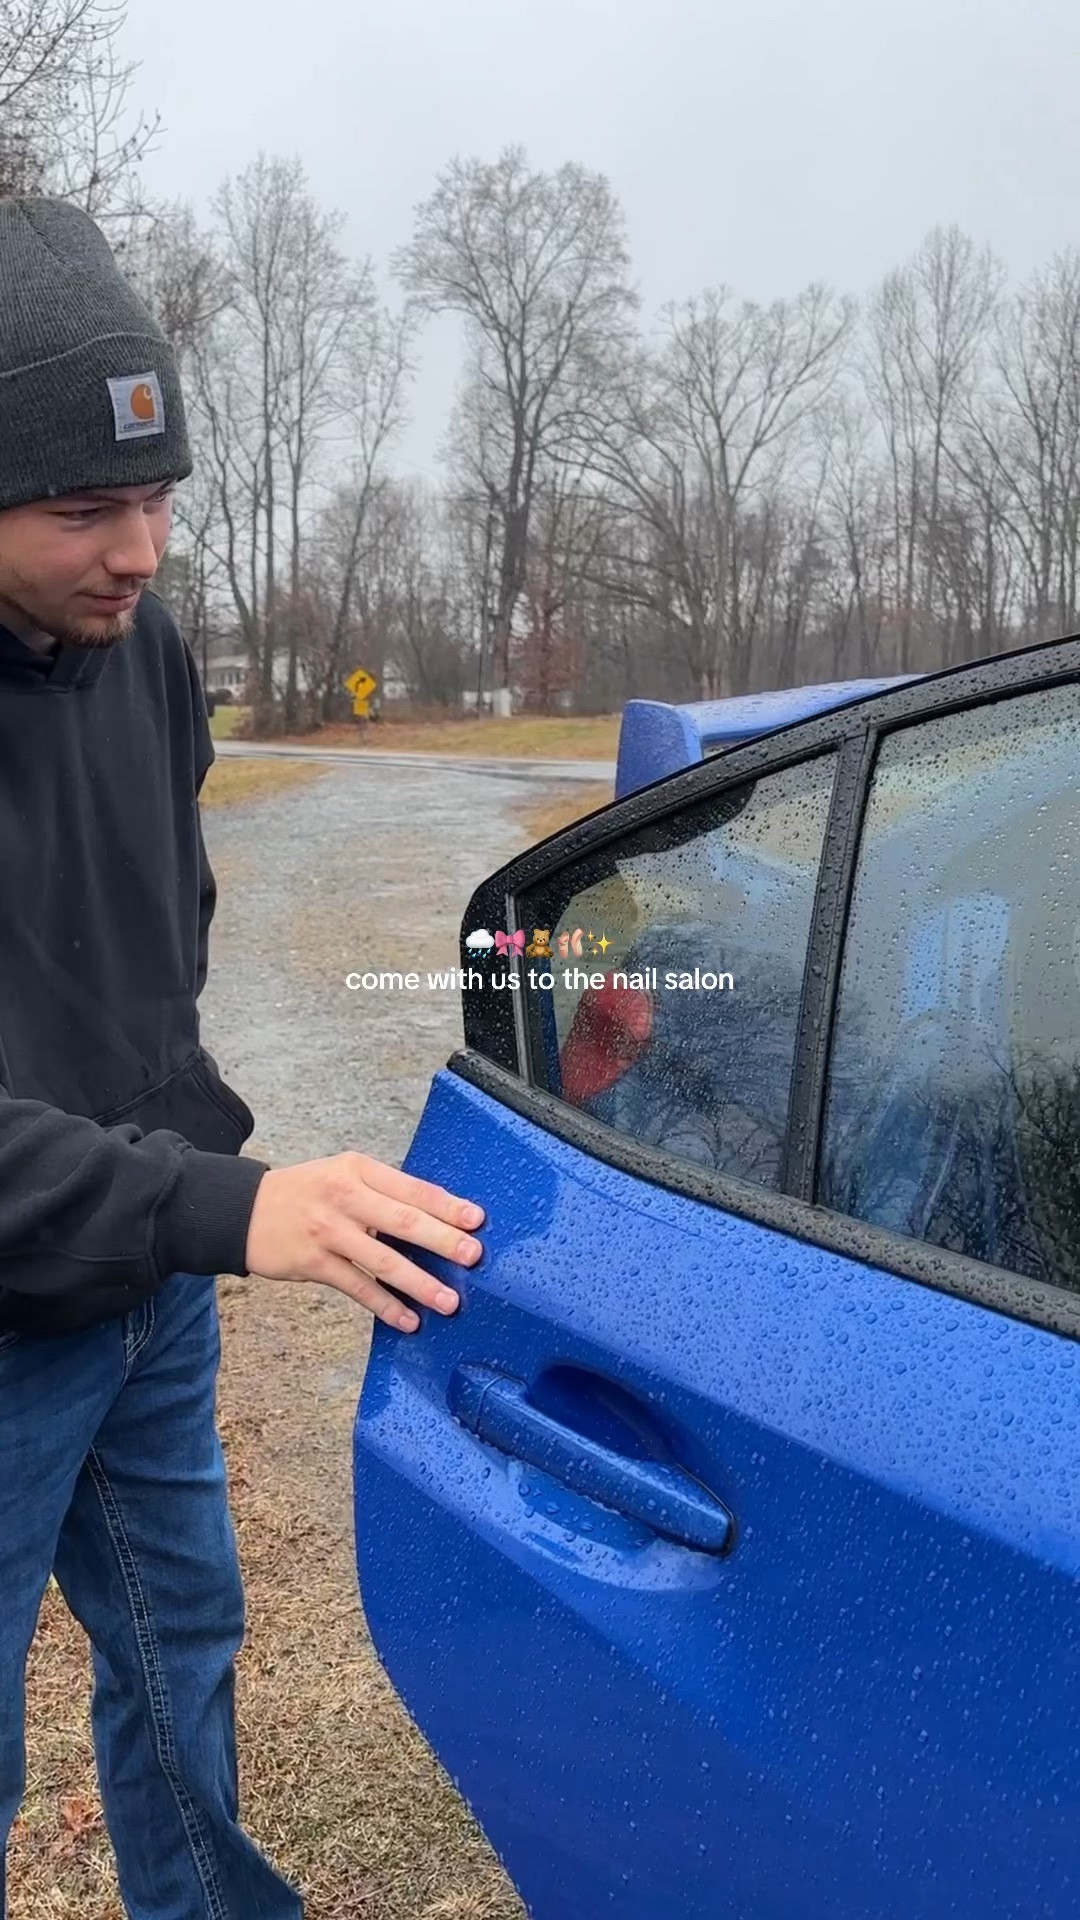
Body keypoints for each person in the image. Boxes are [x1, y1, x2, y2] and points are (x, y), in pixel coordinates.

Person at [0, 196, 486, 1918]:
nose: (137, 550)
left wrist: (164, 1179)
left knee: (181, 1634)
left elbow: (166, 930)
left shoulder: (143, 661)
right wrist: (227, 1205)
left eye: (156, 499)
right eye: (80, 508)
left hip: (138, 1293)